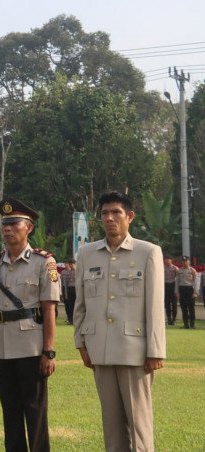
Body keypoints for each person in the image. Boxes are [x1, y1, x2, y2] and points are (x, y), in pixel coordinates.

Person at [73, 191, 166, 452]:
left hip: (134, 352)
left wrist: (155, 351)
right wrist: (81, 342)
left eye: (116, 212)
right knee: (112, 428)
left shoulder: (148, 252)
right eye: (104, 213)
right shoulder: (87, 253)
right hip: (99, 349)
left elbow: (155, 307)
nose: (110, 218)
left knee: (139, 426)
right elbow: (80, 304)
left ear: (130, 217)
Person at [0, 198, 59, 452]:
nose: (7, 229)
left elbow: (49, 309)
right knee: (10, 413)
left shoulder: (43, 262)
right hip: (2, 347)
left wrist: (48, 352)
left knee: (35, 412)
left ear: (28, 228)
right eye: (4, 224)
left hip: (31, 347)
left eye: (14, 224)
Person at [175, 256, 198, 329]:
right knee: (183, 308)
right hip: (182, 289)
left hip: (190, 289)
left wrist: (195, 292)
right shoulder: (179, 271)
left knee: (191, 308)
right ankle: (185, 324)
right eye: (183, 261)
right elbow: (177, 282)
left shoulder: (192, 270)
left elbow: (196, 282)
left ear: (189, 261)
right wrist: (177, 292)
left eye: (186, 261)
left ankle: (192, 325)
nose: (184, 262)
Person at [163, 256, 178, 325]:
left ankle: (174, 319)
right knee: (167, 303)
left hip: (173, 285)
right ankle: (169, 319)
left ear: (171, 260)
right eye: (166, 259)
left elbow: (178, 278)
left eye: (168, 259)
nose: (167, 260)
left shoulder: (175, 268)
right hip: (166, 285)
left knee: (174, 304)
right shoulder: (162, 268)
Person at [61, 258, 77, 325]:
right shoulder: (68, 272)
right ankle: (70, 320)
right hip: (70, 290)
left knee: (76, 306)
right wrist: (66, 293)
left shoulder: (79, 272)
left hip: (76, 289)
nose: (70, 266)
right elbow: (65, 284)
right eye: (69, 264)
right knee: (69, 306)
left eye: (71, 264)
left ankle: (76, 320)